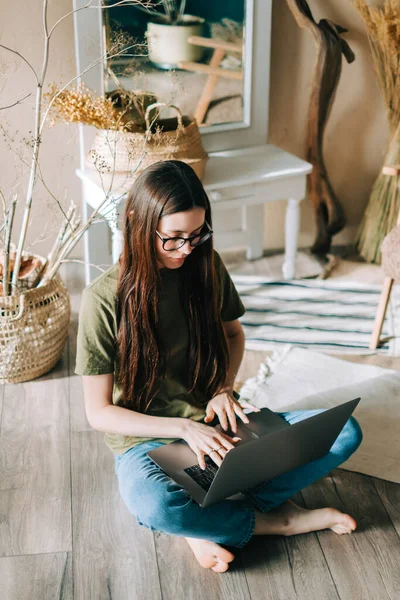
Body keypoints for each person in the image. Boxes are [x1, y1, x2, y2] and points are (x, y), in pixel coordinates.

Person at [75, 160, 363, 573]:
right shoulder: (102, 301)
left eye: (197, 234)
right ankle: (273, 521)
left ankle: (206, 521)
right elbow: (98, 412)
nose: (187, 248)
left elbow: (233, 335)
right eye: (172, 238)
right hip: (147, 442)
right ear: (136, 221)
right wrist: (183, 428)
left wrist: (224, 388)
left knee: (344, 432)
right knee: (154, 502)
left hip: (218, 426)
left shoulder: (205, 268)